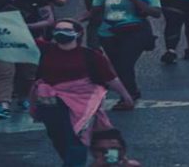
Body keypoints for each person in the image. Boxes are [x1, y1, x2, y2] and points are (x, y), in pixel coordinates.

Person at [32, 19, 134, 167]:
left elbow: (110, 78)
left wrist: (126, 96)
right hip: (52, 103)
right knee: (59, 138)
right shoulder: (44, 49)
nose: (61, 33)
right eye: (57, 30)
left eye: (66, 30)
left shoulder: (91, 55)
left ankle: (111, 162)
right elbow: (19, 38)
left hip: (83, 102)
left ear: (78, 33)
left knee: (83, 137)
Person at [88, 0, 160, 103]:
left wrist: (136, 1)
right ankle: (130, 91)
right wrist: (75, 21)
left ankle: (129, 95)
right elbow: (95, 10)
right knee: (117, 65)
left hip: (135, 32)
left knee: (124, 64)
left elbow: (156, 13)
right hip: (108, 33)